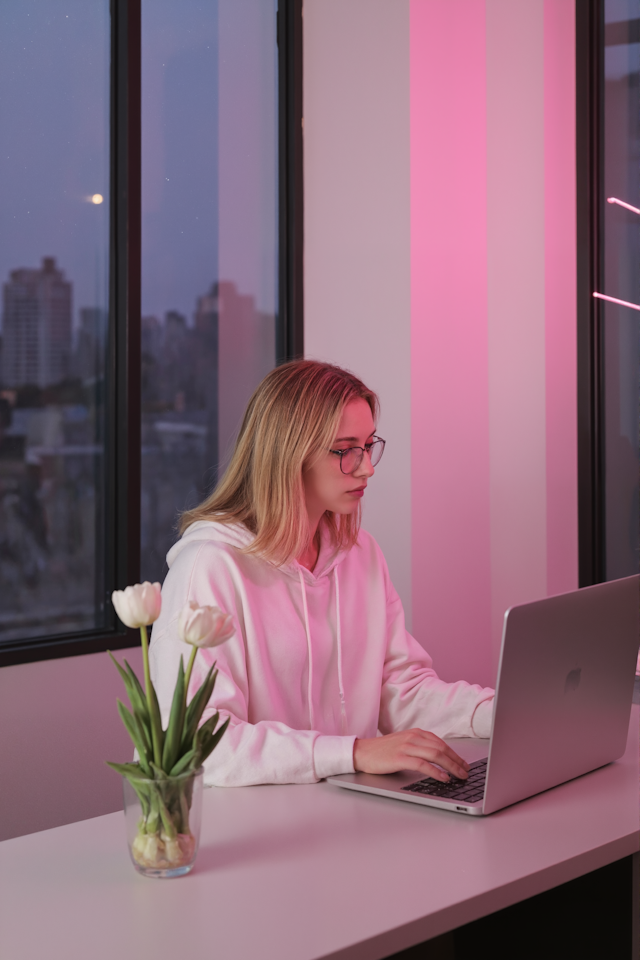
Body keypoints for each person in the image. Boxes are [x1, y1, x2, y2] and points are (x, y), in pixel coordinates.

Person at [150, 360, 494, 786]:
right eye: (346, 450)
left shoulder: (360, 555)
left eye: (368, 445)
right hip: (254, 826)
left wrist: (501, 713)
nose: (366, 467)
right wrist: (354, 752)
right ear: (288, 453)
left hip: (351, 810)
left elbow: (399, 690)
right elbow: (198, 745)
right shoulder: (210, 567)